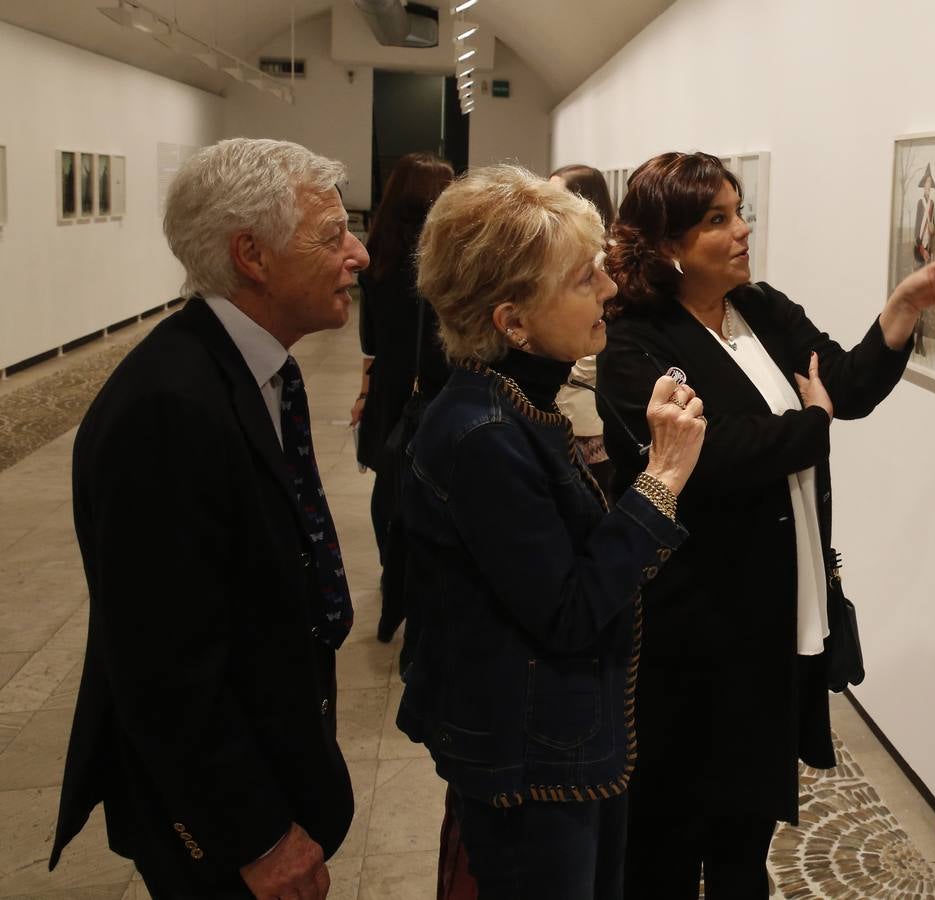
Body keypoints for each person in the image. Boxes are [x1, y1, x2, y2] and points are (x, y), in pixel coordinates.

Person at [596, 151, 935, 898]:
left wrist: (902, 307)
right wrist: (811, 425)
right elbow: (709, 457)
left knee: (747, 828)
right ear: (669, 243)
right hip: (693, 623)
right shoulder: (636, 343)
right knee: (669, 837)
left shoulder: (760, 308)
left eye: (741, 211)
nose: (744, 231)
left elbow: (843, 385)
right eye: (719, 219)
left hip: (775, 611)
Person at [51, 138, 367, 898]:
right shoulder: (168, 410)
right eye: (331, 236)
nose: (356, 253)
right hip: (218, 833)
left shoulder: (245, 371)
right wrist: (256, 836)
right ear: (251, 256)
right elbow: (162, 665)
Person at [394, 164, 706, 898]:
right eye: (581, 279)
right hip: (536, 771)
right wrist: (662, 476)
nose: (608, 289)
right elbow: (568, 611)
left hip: (558, 751)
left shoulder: (511, 407)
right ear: (512, 321)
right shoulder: (483, 433)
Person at [352, 152, 455, 643]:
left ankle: (390, 573)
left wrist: (366, 390)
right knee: (434, 489)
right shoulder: (450, 256)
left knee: (387, 483)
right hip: (439, 388)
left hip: (392, 387)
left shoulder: (378, 253)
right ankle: (419, 585)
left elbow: (370, 339)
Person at [551, 163, 620, 496]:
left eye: (556, 196)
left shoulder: (601, 260)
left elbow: (595, 340)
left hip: (583, 407)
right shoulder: (567, 255)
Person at [911, 163, 935, 356]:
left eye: (930, 183)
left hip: (928, 253)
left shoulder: (932, 205)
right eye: (926, 183)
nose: (928, 186)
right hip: (920, 253)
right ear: (923, 186)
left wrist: (932, 230)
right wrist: (922, 251)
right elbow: (916, 232)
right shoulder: (920, 204)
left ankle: (920, 338)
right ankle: (913, 338)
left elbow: (932, 230)